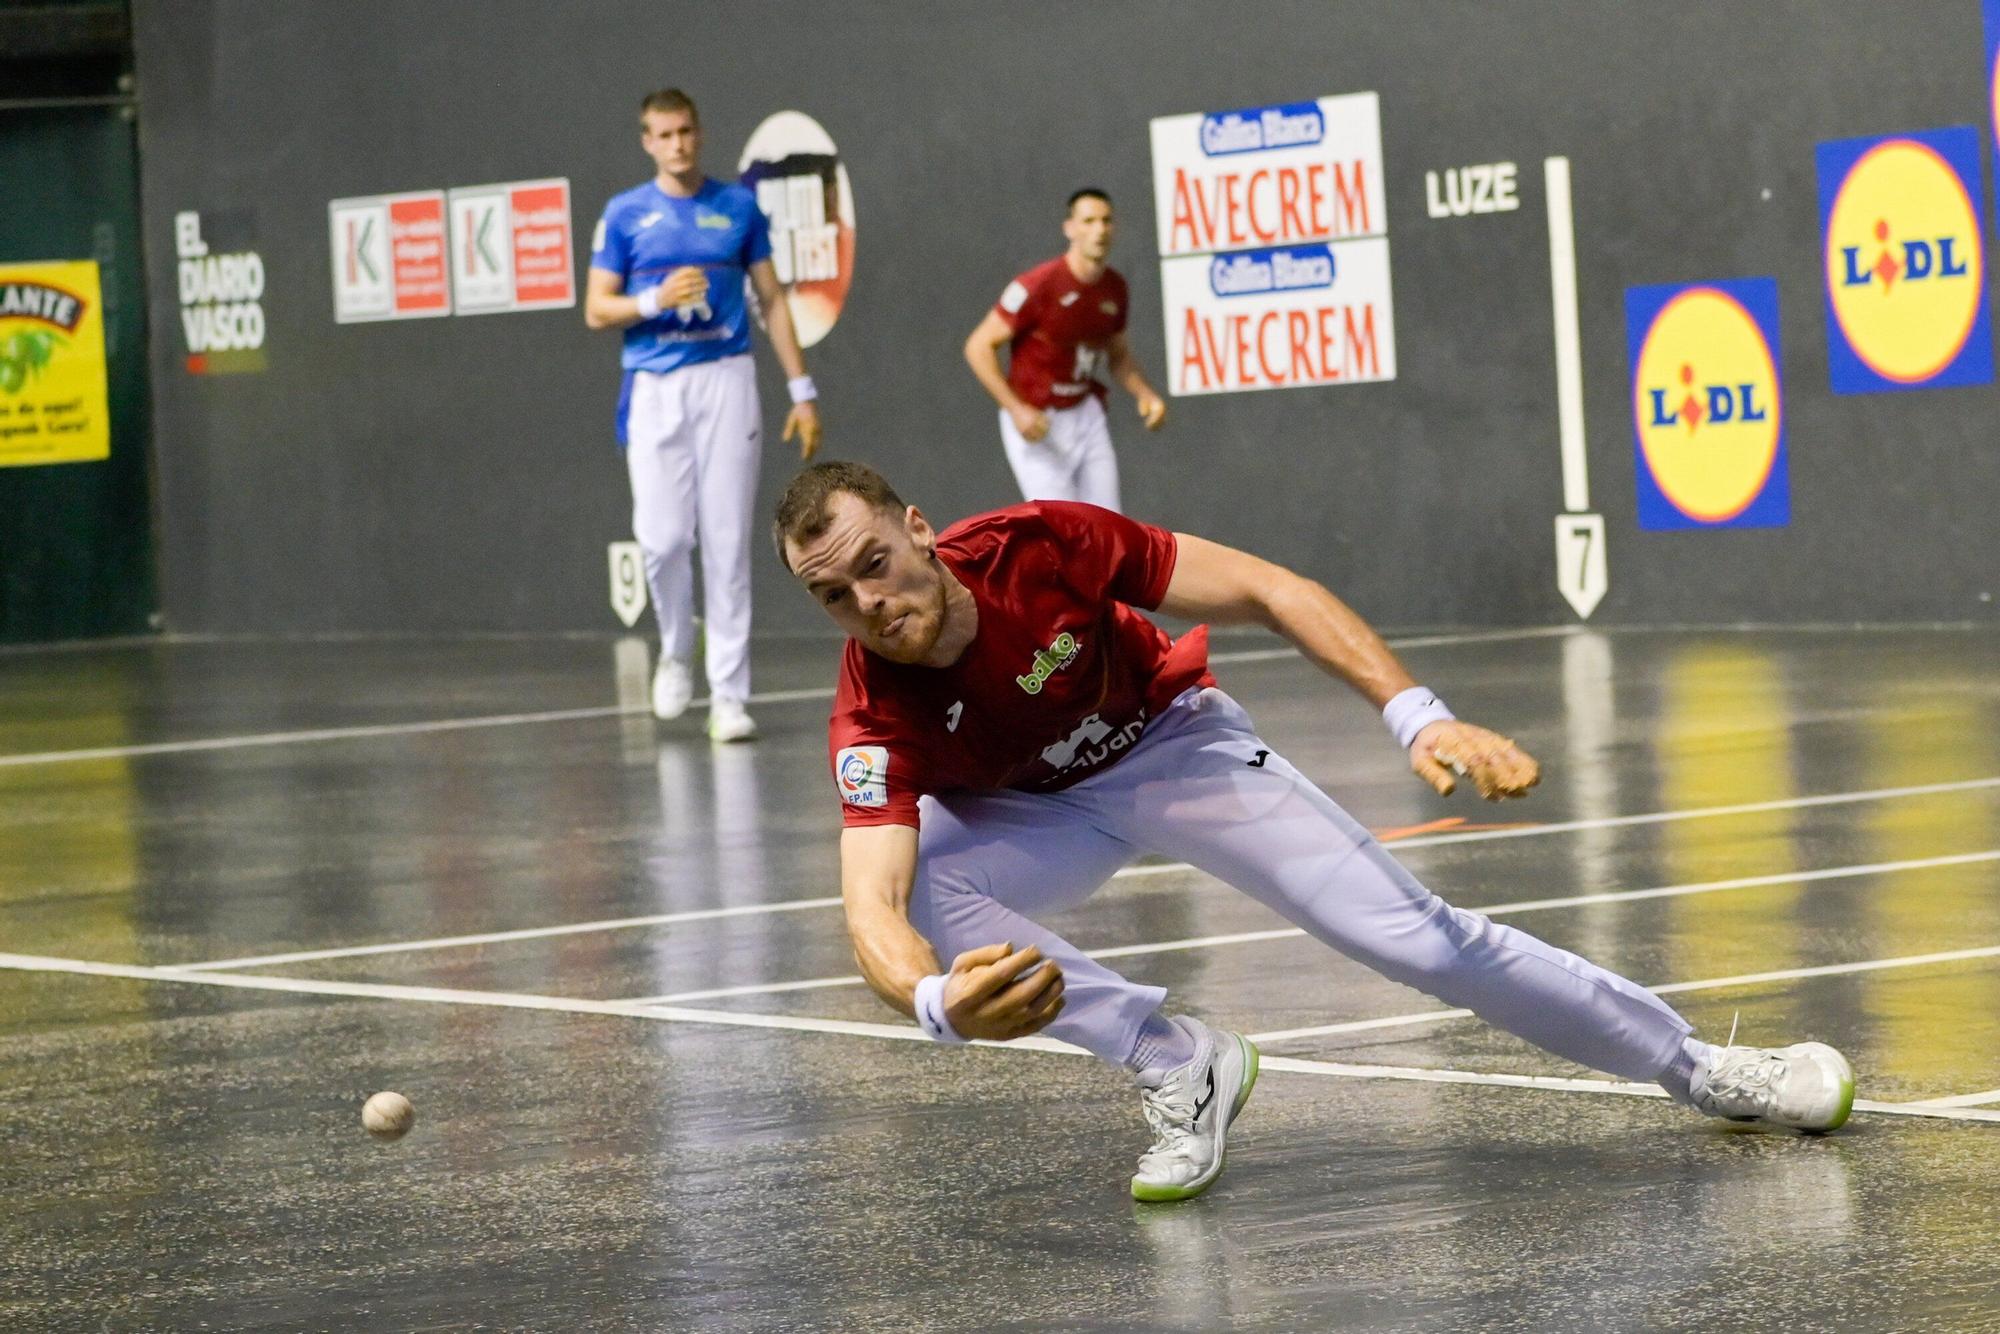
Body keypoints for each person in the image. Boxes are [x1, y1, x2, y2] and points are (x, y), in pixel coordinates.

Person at [773, 460, 1856, 1202]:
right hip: (1037, 809)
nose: (865, 601)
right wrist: (934, 1001)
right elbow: (868, 903)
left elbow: (1267, 588)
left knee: (1416, 939)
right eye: (832, 594)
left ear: (918, 530)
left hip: (1170, 750)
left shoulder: (1039, 545)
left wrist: (1414, 713)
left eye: (873, 561)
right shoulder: (870, 709)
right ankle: (1178, 1060)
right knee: (921, 881)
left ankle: (1704, 1068)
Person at [586, 87, 824, 742]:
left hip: (727, 379)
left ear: (700, 132)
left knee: (725, 541)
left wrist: (802, 390)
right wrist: (653, 298)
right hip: (655, 387)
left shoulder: (737, 207)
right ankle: (674, 646)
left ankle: (728, 694)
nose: (677, 145)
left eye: (685, 131)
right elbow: (596, 308)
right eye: (663, 135)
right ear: (647, 141)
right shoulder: (625, 215)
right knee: (662, 541)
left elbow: (773, 301)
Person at [963, 190, 1166, 512]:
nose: (1099, 229)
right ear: (1070, 228)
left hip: (1085, 415)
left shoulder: (1114, 288)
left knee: (1111, 527)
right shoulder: (1037, 285)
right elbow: (978, 346)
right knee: (1065, 528)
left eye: (1106, 221)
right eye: (1089, 221)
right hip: (1038, 421)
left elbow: (1119, 356)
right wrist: (1016, 409)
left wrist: (1145, 394)